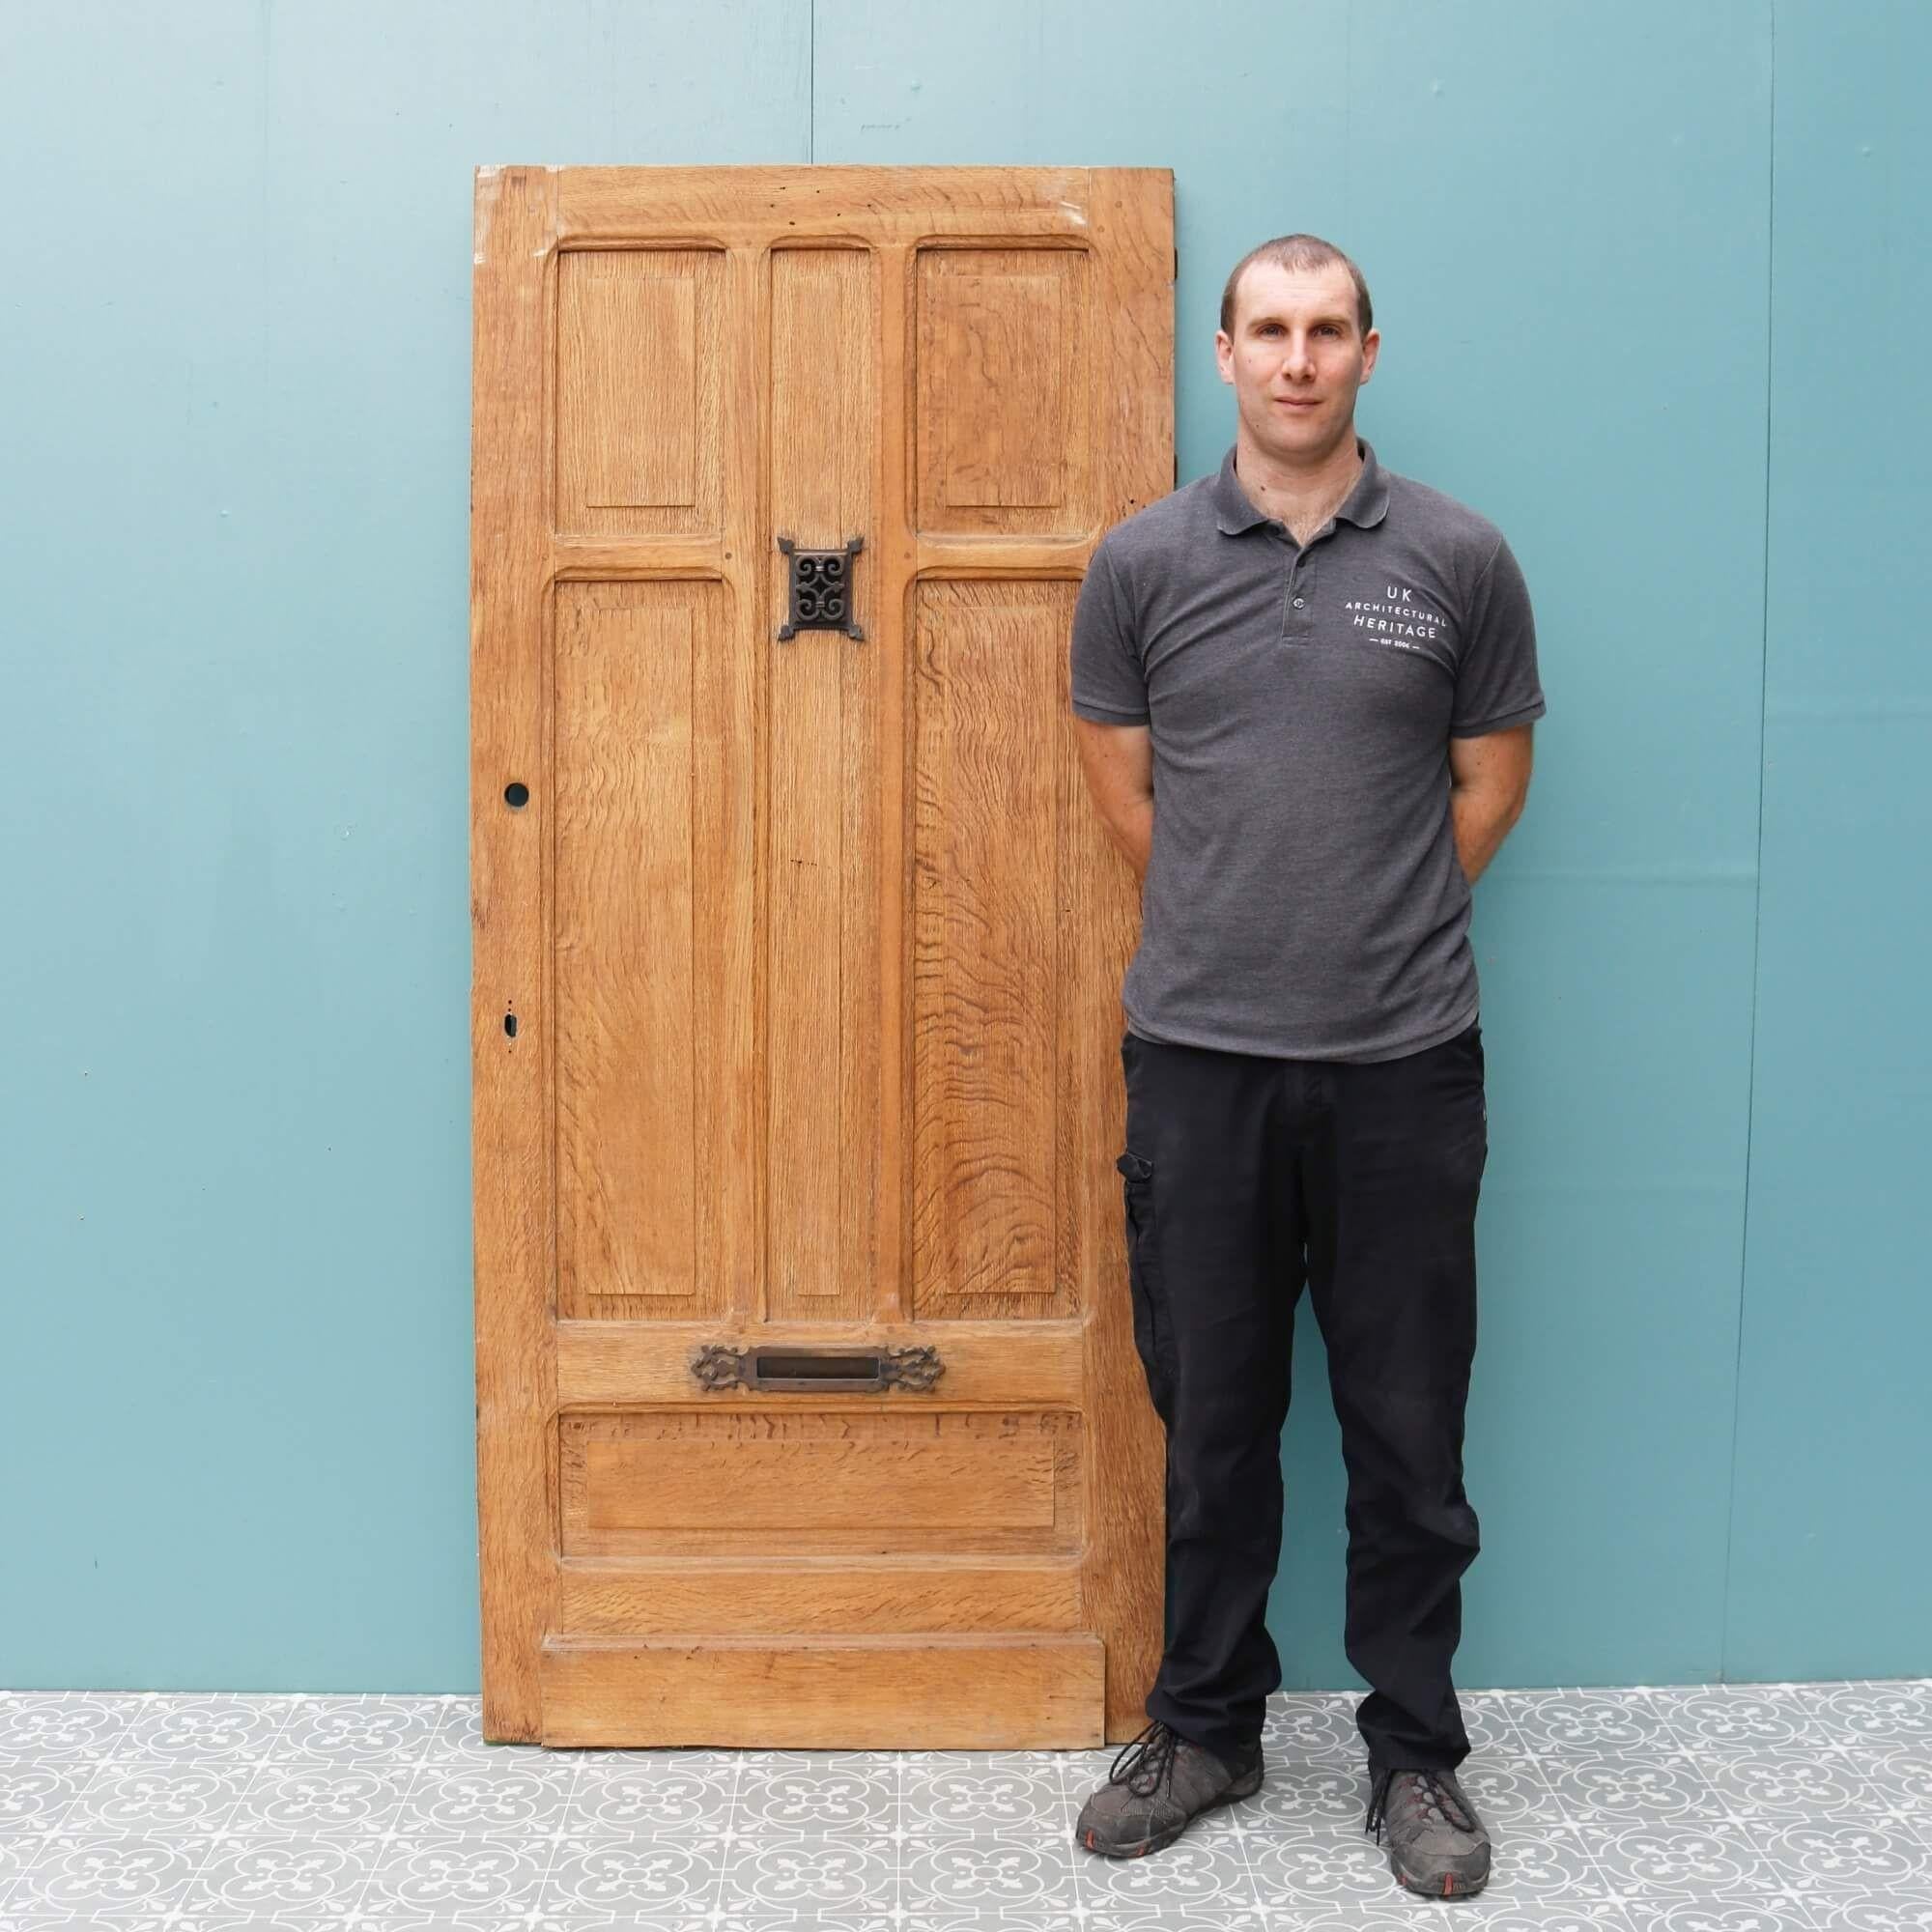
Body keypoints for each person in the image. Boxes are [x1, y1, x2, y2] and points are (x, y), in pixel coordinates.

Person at [1065, 232, 1546, 1900]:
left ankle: (1415, 1753)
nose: (1295, 358)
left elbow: (1490, 786)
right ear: (1224, 354)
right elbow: (1127, 801)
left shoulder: (1461, 559)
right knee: (1212, 1419)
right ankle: (1207, 1726)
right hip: (1198, 1060)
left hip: (1406, 1063)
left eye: (1324, 331)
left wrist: (1370, 927)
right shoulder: (1139, 565)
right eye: (1267, 330)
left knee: (1411, 1429)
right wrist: (1243, 929)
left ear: (1366, 351)